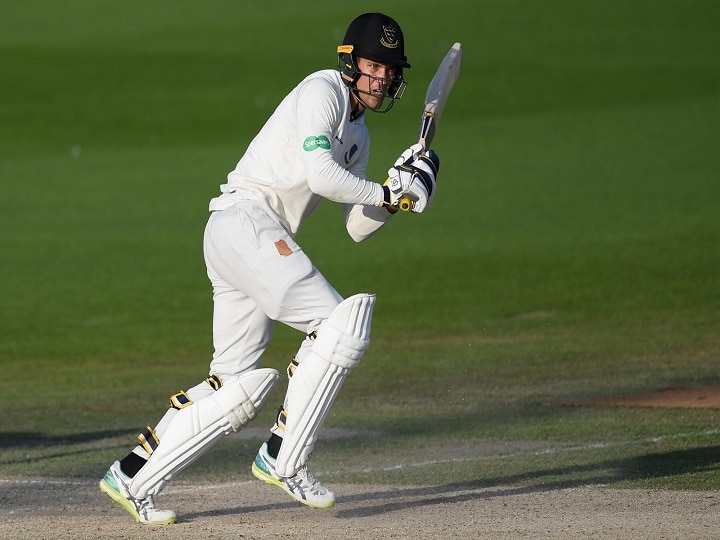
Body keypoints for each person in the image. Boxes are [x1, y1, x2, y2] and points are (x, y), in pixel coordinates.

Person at [99, 12, 440, 525]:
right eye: (373, 66)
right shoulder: (320, 93)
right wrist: (388, 191)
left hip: (246, 239)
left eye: (389, 70)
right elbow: (321, 176)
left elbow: (356, 227)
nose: (382, 78)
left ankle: (131, 477)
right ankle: (284, 456)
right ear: (349, 63)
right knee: (341, 323)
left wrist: (399, 195)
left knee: (236, 387)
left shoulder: (361, 136)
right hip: (247, 224)